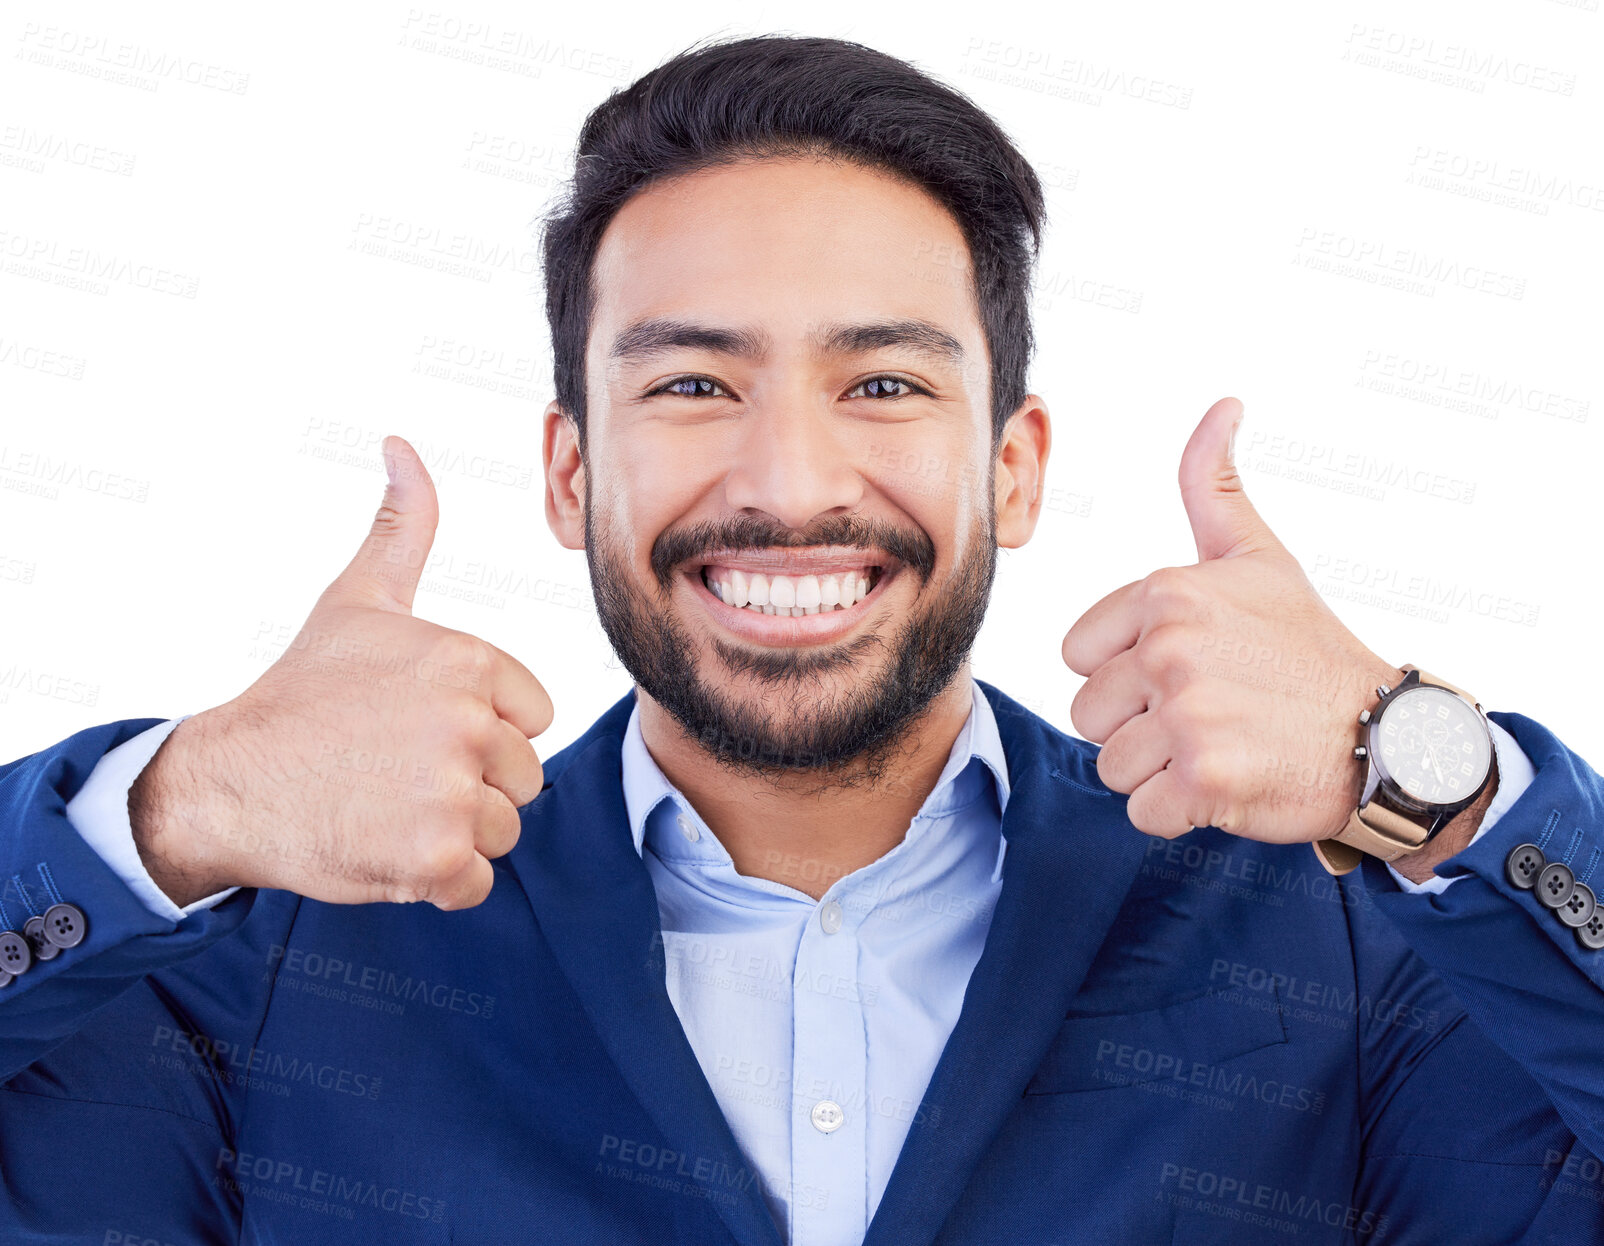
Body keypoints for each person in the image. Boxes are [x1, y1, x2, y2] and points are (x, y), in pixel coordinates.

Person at [3, 32, 1601, 1246]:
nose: (786, 484)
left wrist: (1430, 773)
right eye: (692, 383)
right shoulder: (281, 954)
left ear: (1016, 466)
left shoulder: (1338, 928)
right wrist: (176, 806)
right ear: (571, 473)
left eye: (886, 383)